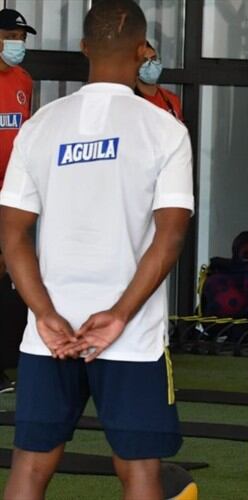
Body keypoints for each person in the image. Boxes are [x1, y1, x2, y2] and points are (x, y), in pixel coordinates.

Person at [0, 1, 193, 498]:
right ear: (141, 50)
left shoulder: (40, 125)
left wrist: (43, 314)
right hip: (130, 336)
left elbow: (13, 234)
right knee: (140, 471)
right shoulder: (166, 128)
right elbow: (170, 236)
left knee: (29, 469)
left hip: (51, 335)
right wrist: (119, 315)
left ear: (84, 48)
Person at [0, 7, 35, 394]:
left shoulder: (23, 79)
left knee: (9, 269)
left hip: (14, 193)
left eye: (22, 38)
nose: (18, 44)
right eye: (11, 35)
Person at [135, 40, 183, 120]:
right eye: (145, 61)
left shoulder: (172, 99)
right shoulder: (131, 100)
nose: (151, 64)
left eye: (154, 59)